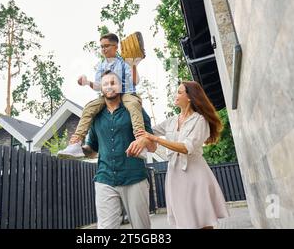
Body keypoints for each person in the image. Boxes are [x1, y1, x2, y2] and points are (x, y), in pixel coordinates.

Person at [130, 81, 229, 229]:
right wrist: (137, 105)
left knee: (203, 219)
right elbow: (148, 130)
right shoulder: (171, 121)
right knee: (184, 220)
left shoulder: (200, 120)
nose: (175, 95)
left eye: (179, 92)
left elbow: (185, 147)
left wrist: (156, 139)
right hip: (175, 175)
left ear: (189, 97)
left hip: (195, 175)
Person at [83, 70, 155, 229]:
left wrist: (143, 141)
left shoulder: (135, 110)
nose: (109, 87)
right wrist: (80, 148)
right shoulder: (96, 116)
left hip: (134, 177)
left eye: (113, 83)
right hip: (105, 179)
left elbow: (153, 146)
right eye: (105, 84)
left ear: (121, 86)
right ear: (100, 89)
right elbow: (93, 149)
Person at [58, 32, 147, 159]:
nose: (103, 49)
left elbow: (135, 81)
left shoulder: (124, 61)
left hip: (126, 92)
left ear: (116, 47)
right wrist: (87, 82)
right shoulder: (101, 65)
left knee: (133, 104)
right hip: (108, 95)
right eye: (101, 46)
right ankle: (76, 143)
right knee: (89, 107)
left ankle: (140, 141)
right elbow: (99, 86)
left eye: (106, 46)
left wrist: (133, 65)